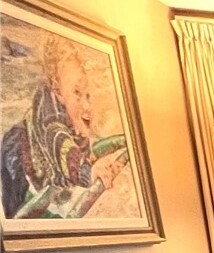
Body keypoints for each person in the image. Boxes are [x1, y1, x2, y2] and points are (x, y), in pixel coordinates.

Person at [2, 33, 127, 218]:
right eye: (77, 92)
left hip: (47, 159)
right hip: (16, 156)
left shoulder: (72, 114)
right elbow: (58, 139)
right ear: (57, 89)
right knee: (14, 214)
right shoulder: (51, 116)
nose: (86, 105)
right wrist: (89, 172)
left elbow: (78, 144)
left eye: (88, 95)